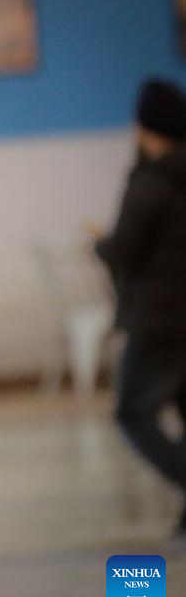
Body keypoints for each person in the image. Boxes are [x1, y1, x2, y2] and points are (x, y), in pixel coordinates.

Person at [95, 77, 186, 543]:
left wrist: (99, 243)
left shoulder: (150, 182)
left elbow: (124, 250)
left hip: (158, 321)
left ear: (147, 128)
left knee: (132, 413)